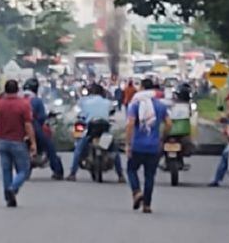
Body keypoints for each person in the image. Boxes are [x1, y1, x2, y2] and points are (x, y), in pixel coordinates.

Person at [124, 78, 171, 213]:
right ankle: (147, 205)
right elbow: (169, 124)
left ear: (142, 89)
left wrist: (128, 143)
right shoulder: (161, 106)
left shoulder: (135, 105)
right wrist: (162, 137)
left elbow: (130, 124)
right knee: (149, 176)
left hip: (137, 146)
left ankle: (137, 192)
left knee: (131, 170)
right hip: (153, 147)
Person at [0, 80, 37, 207]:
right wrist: (33, 142)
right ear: (18, 90)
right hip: (18, 141)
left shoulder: (0, 103)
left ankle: (9, 197)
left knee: (6, 170)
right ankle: (13, 188)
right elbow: (28, 125)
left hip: (2, 141)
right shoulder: (23, 104)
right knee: (24, 170)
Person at [68, 84, 123, 182]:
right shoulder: (107, 102)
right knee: (114, 149)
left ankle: (72, 173)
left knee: (78, 148)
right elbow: (112, 111)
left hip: (91, 128)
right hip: (104, 127)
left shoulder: (83, 101)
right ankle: (120, 175)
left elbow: (78, 112)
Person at [23, 77, 64, 180]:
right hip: (34, 127)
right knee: (50, 148)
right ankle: (57, 171)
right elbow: (41, 117)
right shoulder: (37, 100)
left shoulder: (20, 99)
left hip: (19, 130)